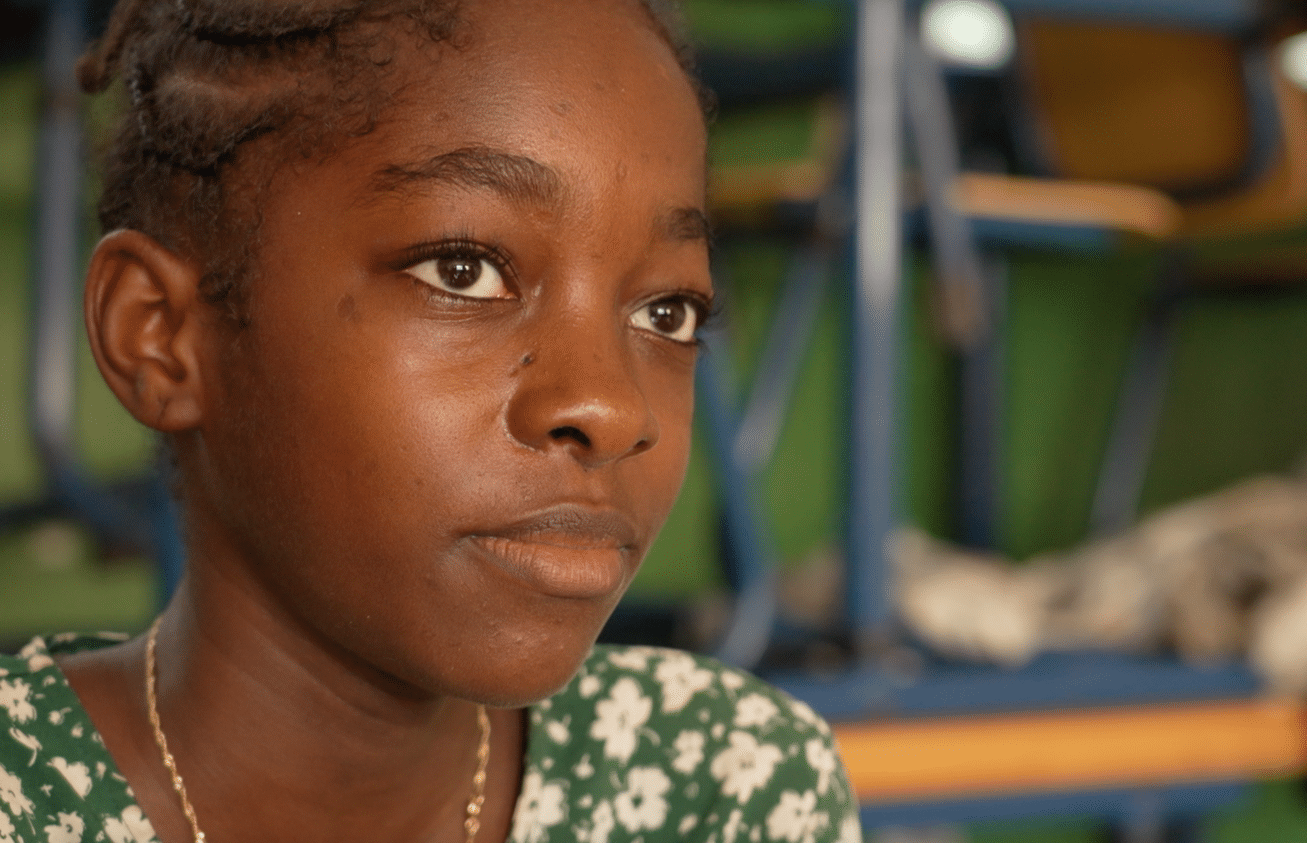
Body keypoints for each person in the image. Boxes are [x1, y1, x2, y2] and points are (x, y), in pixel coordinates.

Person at [0, 1, 861, 841]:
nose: (611, 407)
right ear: (159, 336)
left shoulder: (719, 785)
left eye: (667, 312)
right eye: (464, 270)